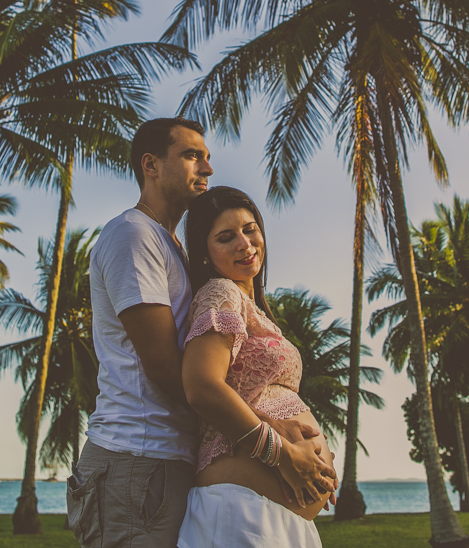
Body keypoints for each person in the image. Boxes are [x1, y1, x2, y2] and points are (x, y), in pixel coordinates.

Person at [66, 119, 332, 547]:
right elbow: (170, 369)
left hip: (168, 461)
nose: (206, 168)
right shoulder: (133, 235)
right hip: (137, 456)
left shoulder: (172, 247)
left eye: (207, 158)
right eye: (192, 156)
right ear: (150, 165)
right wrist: (273, 441)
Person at [177, 186, 338, 548]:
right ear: (205, 253)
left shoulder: (252, 306)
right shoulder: (221, 293)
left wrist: (314, 467)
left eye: (250, 229)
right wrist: (281, 453)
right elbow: (201, 386)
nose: (245, 243)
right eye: (226, 237)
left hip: (267, 513)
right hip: (242, 512)